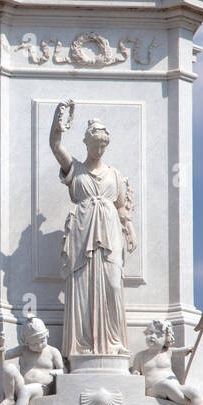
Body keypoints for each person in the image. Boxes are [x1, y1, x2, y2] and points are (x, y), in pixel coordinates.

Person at [49, 101, 135, 357]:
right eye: (95, 145)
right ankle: (84, 343)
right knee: (83, 285)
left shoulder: (115, 175)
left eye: (102, 146)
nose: (98, 149)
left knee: (112, 283)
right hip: (83, 229)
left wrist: (130, 229)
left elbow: (121, 208)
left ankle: (114, 340)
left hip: (109, 229)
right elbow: (55, 146)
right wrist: (58, 123)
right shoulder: (76, 169)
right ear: (86, 144)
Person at [131, 320, 203, 405]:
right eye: (150, 333)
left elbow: (183, 351)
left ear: (167, 339)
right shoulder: (141, 355)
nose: (152, 337)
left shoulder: (168, 352)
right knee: (165, 384)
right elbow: (135, 372)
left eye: (158, 334)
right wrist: (135, 374)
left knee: (193, 391)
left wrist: (190, 349)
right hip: (153, 390)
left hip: (175, 386)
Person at [0, 316, 65, 405]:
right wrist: (1, 347)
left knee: (26, 390)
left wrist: (56, 372)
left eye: (42, 341)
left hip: (42, 389)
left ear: (47, 334)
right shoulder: (24, 349)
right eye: (34, 344)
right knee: (9, 368)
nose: (39, 346)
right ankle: (10, 398)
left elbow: (63, 370)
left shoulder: (53, 351)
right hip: (22, 385)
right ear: (26, 342)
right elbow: (4, 357)